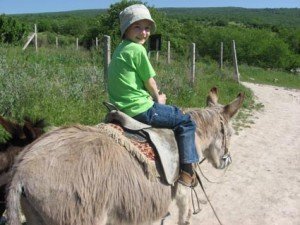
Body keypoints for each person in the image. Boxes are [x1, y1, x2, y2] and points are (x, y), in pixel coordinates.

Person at [107, 4, 199, 187]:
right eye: (137, 27)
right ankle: (187, 171)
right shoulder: (137, 50)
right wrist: (158, 99)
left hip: (121, 106)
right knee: (186, 121)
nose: (143, 33)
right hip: (140, 109)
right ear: (126, 29)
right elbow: (149, 81)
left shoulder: (120, 49)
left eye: (147, 28)